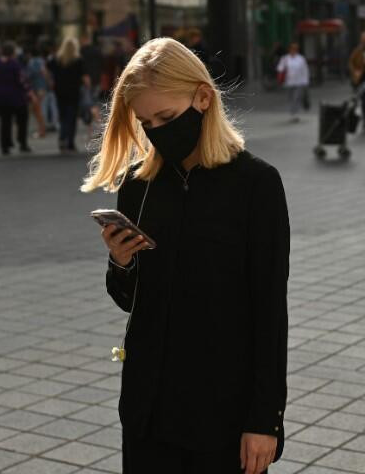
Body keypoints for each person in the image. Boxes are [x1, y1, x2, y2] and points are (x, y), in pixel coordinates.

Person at [81, 37, 289, 474]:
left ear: (203, 97)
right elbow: (130, 300)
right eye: (146, 122)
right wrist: (121, 263)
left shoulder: (256, 185)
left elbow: (270, 312)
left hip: (223, 412)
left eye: (167, 117)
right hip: (149, 408)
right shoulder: (140, 185)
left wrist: (264, 420)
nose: (157, 131)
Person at [48, 37, 90, 152]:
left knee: (62, 116)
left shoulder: (56, 60)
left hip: (59, 91)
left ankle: (62, 138)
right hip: (74, 91)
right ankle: (70, 142)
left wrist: (51, 82)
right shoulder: (78, 60)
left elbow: (48, 71)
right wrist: (88, 87)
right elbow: (85, 77)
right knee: (72, 117)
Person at [0, 42, 31, 155]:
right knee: (22, 119)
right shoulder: (14, 64)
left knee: (5, 122)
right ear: (12, 52)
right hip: (16, 96)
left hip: (1, 97)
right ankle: (22, 142)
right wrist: (28, 91)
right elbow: (21, 80)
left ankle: (5, 146)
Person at [276, 42, 310, 123]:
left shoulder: (301, 59)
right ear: (290, 49)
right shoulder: (285, 58)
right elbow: (280, 68)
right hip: (288, 82)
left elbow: (305, 70)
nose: (294, 50)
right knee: (290, 98)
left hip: (299, 82)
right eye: (292, 48)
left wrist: (305, 81)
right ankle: (292, 112)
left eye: (295, 49)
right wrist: (281, 70)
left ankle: (295, 114)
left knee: (297, 98)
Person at [80, 33, 104, 142]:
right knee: (93, 103)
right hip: (96, 80)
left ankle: (95, 129)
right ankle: (97, 128)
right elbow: (102, 65)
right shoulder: (97, 51)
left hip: (86, 81)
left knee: (90, 105)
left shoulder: (82, 52)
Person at [26, 47, 50, 138]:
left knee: (37, 110)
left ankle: (41, 131)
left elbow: (29, 75)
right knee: (38, 109)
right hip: (42, 87)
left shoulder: (32, 62)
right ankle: (41, 129)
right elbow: (45, 72)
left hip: (35, 87)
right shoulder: (41, 61)